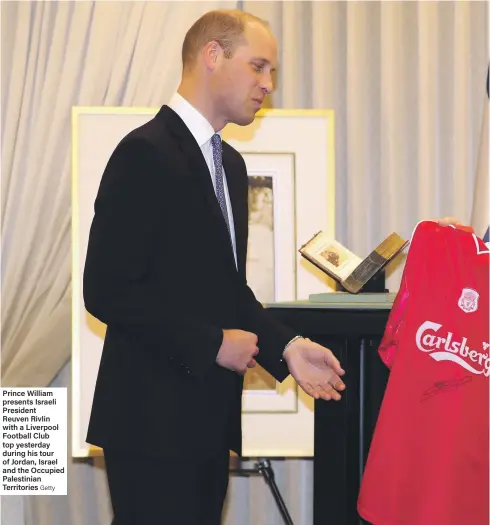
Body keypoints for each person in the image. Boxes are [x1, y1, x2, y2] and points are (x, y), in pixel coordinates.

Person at [83, 10, 346, 525]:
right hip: (151, 426)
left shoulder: (230, 164)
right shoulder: (144, 152)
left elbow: (227, 290)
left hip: (207, 421)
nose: (267, 85)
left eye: (271, 72)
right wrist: (212, 344)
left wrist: (287, 347)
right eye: (258, 67)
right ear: (212, 56)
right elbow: (107, 290)